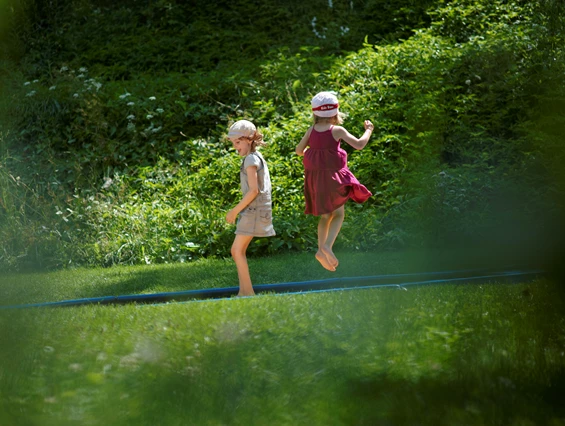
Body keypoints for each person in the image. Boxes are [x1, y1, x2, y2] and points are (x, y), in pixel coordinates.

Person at [295, 91, 374, 272]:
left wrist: (316, 155)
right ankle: (327, 246)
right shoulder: (336, 130)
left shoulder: (311, 131)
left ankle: (320, 249)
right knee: (338, 214)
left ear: (315, 113)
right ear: (335, 113)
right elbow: (360, 144)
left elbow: (299, 151)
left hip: (316, 181)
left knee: (325, 216)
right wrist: (368, 130)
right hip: (333, 180)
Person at [226, 120, 275, 296]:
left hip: (253, 211)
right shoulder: (256, 157)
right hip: (256, 210)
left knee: (236, 250)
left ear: (248, 140)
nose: (235, 147)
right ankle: (244, 292)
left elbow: (254, 190)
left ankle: (247, 293)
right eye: (233, 143)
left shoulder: (250, 159)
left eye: (237, 142)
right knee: (238, 250)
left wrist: (234, 211)